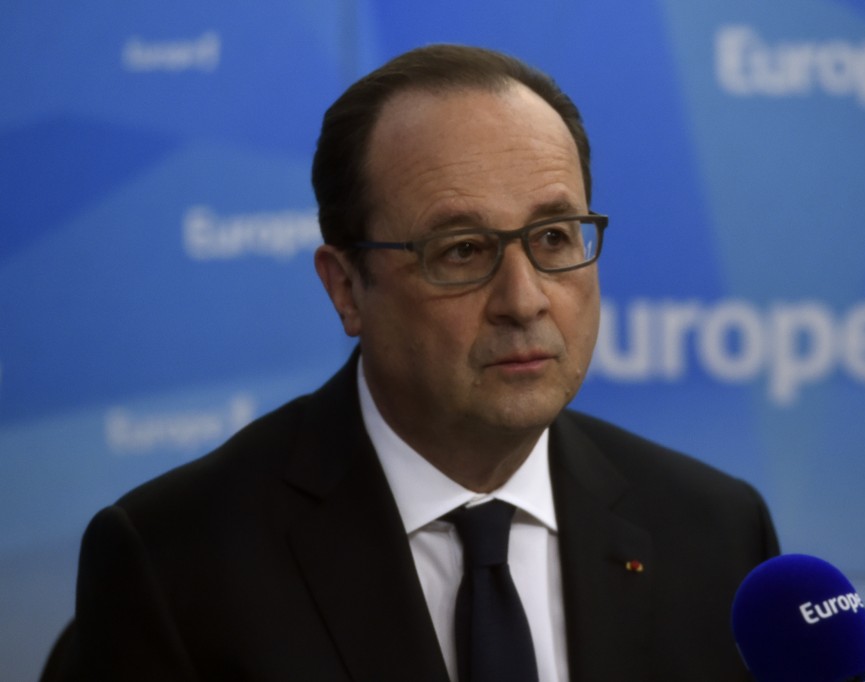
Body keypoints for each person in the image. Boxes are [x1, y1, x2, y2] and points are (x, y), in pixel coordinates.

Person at [42, 44, 778, 681]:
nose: (524, 300)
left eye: (554, 237)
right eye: (461, 251)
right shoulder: (174, 565)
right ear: (346, 288)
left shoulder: (716, 535)